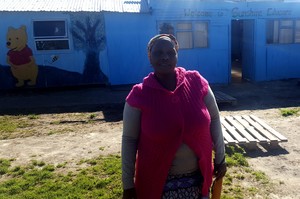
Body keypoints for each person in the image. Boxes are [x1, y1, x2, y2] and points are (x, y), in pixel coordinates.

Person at [122, 34, 227, 199]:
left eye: (170, 52)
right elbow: (129, 139)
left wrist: (220, 158)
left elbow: (214, 118)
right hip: (157, 186)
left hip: (199, 182)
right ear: (149, 57)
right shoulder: (139, 95)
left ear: (177, 55)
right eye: (158, 52)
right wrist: (127, 184)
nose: (165, 57)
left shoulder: (197, 82)